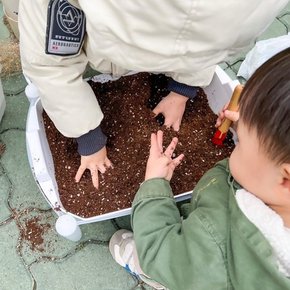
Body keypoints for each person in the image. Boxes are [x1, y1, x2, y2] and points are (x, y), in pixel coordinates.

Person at [18, 0, 288, 189]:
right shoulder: (51, 9)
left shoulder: (244, 11)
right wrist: (88, 137)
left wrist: (182, 90)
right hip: (60, 26)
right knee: (50, 50)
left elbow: (208, 42)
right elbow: (50, 66)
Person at [109, 48, 290, 290]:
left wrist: (154, 184)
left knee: (161, 263)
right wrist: (251, 131)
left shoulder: (218, 246)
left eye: (242, 142)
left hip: (184, 265)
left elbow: (163, 252)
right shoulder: (270, 187)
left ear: (286, 179)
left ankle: (150, 273)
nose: (236, 138)